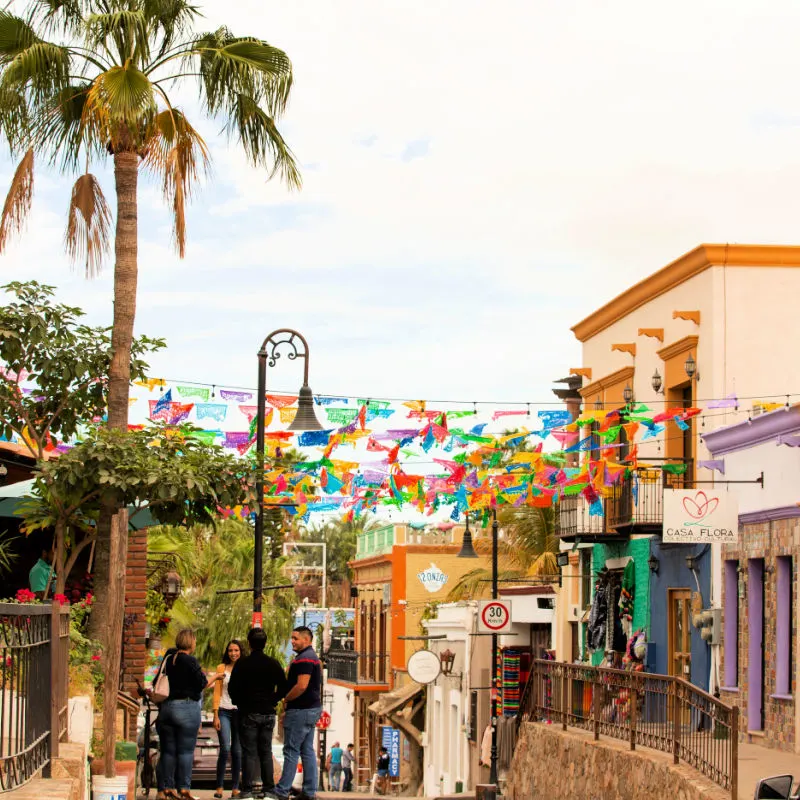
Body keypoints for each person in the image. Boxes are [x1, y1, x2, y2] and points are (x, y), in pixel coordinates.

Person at [156, 629, 223, 800]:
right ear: (191, 642)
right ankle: (184, 788)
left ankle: (167, 787)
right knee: (185, 752)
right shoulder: (190, 661)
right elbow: (202, 684)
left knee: (168, 751)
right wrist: (215, 677)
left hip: (168, 707)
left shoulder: (170, 659)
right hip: (187, 708)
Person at [228, 628, 287, 800]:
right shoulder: (273, 663)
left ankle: (246, 790)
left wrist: (239, 702)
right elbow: (283, 686)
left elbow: (233, 688)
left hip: (249, 712)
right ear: (265, 643)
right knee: (265, 750)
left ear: (249, 643)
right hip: (268, 713)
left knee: (249, 752)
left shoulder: (242, 664)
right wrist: (273, 699)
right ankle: (269, 790)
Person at [273, 626, 322, 800]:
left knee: (291, 750)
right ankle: (309, 792)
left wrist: (286, 699)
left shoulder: (305, 659)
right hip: (312, 709)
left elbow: (302, 685)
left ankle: (282, 790)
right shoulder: (312, 657)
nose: (292, 641)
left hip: (301, 710)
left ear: (306, 640)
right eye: (292, 638)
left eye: (296, 638)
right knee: (307, 750)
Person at [212, 640, 245, 799]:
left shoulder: (245, 668)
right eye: (231, 650)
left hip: (239, 712)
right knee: (225, 748)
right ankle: (219, 786)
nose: (233, 653)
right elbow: (217, 692)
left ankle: (235, 788)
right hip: (224, 711)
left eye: (236, 650)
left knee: (237, 751)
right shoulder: (221, 668)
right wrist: (215, 714)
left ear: (241, 651)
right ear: (227, 652)